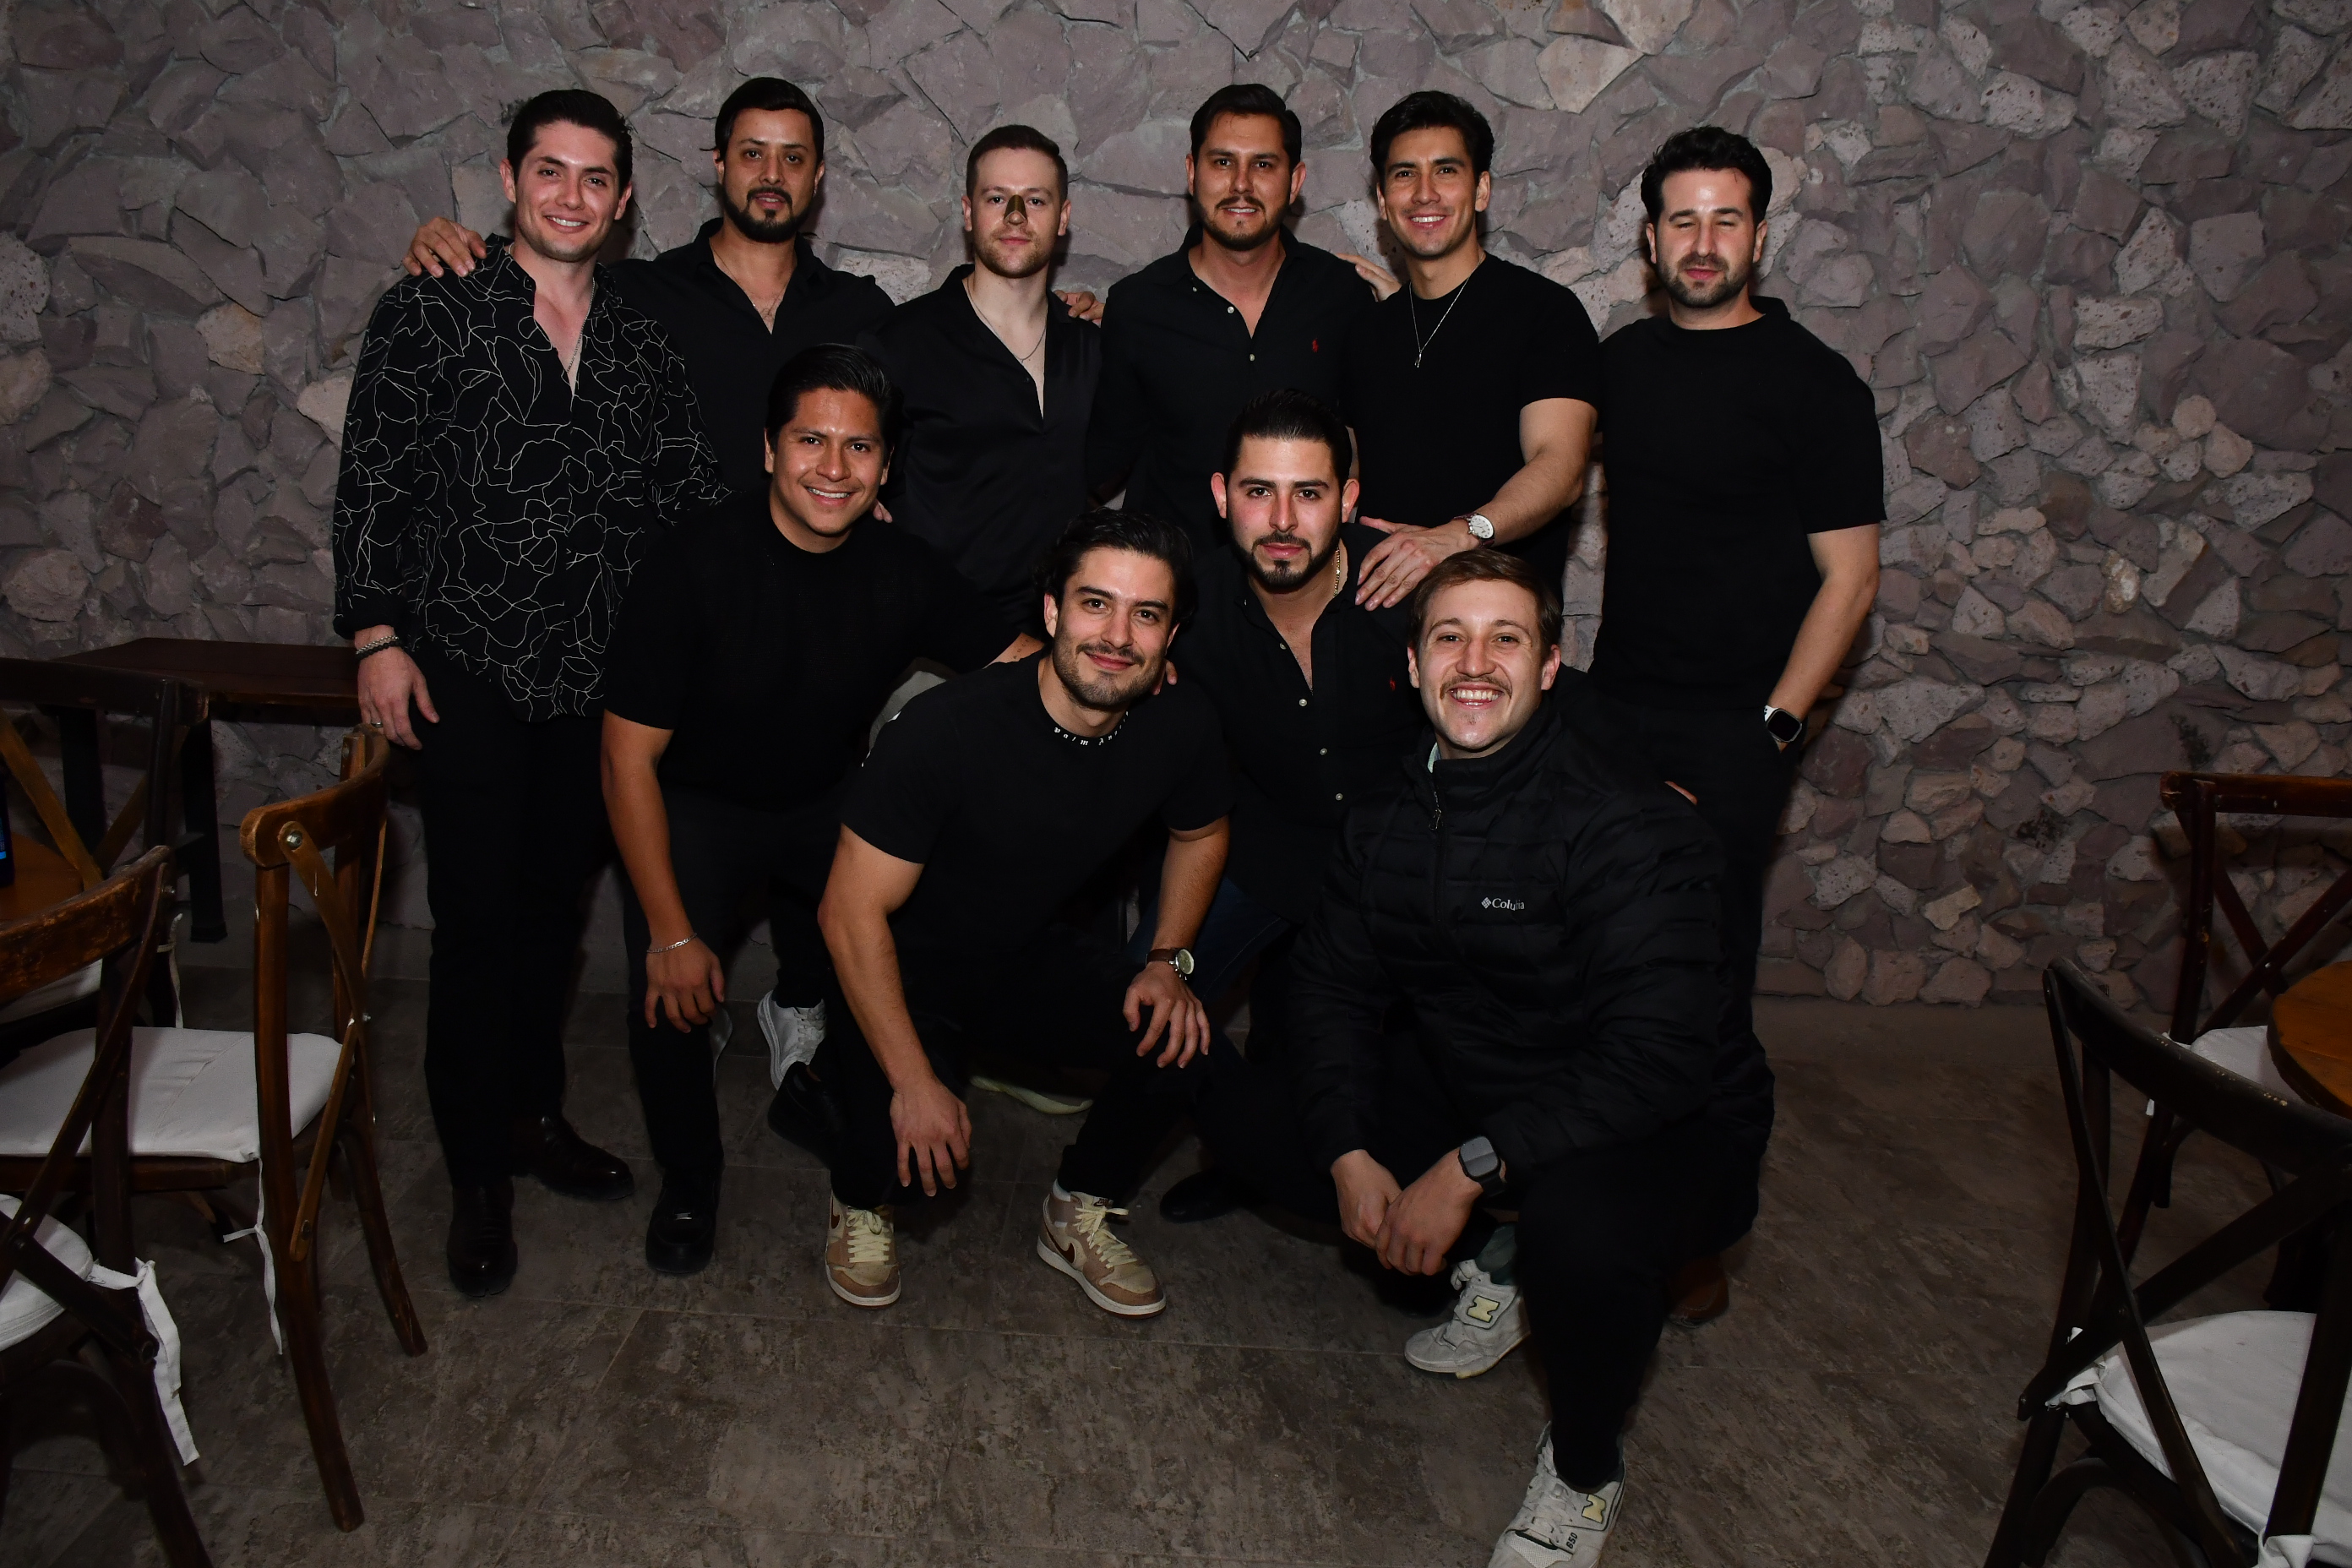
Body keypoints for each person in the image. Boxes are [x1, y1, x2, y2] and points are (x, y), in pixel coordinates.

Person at [332, 90, 729, 1298]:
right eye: (550, 170)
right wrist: (376, 636)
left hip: (595, 683)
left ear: (623, 200)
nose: (571, 195)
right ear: (510, 180)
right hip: (465, 669)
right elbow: (376, 477)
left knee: (555, 916)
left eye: (596, 177)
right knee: (475, 925)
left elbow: (687, 498)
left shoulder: (642, 339)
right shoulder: (429, 309)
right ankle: (475, 1175)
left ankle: (532, 1116)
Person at [1279, 551, 1742, 1567]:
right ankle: (1502, 1257)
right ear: (1413, 665)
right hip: (1491, 1077)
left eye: (1506, 638)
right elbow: (1329, 989)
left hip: (1662, 1120)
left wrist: (1467, 1168)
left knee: (1580, 1237)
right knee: (1267, 1127)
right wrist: (1350, 1151)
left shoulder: (1629, 821)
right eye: (1450, 636)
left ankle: (1583, 1466)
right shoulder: (1388, 815)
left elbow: (1660, 1057)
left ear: (1550, 664)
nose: (1475, 662)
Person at [599, 345, 1036, 1277]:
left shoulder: (903, 567)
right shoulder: (690, 561)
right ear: (769, 448)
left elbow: (1023, 666)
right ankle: (690, 1179)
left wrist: (1114, 660)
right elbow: (626, 760)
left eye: (859, 447)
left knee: (910, 951)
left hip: (825, 798)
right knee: (667, 996)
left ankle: (834, 1105)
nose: (834, 467)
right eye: (810, 441)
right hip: (698, 806)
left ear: (886, 465)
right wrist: (672, 931)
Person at [1589, 125, 1883, 1322]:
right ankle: (1591, 1206)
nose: (1703, 242)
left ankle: (1700, 1237)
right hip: (1613, 712)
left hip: (1735, 728)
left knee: (1703, 991)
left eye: (1726, 219)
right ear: (1651, 238)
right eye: (1683, 220)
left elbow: (1850, 582)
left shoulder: (1816, 384)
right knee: (1596, 970)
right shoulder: (1622, 364)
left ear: (1760, 235)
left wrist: (1772, 730)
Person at [807, 509, 1233, 1316]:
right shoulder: (944, 728)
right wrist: (913, 1082)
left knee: (1183, 1046)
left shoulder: (1181, 722)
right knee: (905, 1161)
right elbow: (847, 914)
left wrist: (1167, 960)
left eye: (1146, 614)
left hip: (1023, 956)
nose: (1117, 637)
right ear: (1051, 611)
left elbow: (1203, 832)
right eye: (1095, 604)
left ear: (1171, 635)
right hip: (902, 966)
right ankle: (859, 1194)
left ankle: (1077, 1208)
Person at [1142, 387, 1423, 1224]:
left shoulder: (1406, 584)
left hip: (1395, 861)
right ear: (1222, 495)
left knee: (1362, 1034)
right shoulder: (1190, 605)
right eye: (1259, 491)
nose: (1283, 521)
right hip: (1261, 850)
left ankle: (1326, 1162)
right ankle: (1241, 1149)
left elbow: (1523, 677)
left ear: (1349, 498)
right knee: (1146, 999)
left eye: (1309, 493)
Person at [401, 78, 893, 500]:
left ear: (817, 175)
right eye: (752, 153)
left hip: (827, 576)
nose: (772, 174)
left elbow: (895, 448)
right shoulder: (632, 295)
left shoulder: (862, 311)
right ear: (720, 164)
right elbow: (546, 273)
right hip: (671, 575)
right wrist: (463, 250)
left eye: (793, 158)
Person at [1087, 84, 1389, 556]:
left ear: (1295, 181)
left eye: (1263, 165)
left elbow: (1370, 440)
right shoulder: (1138, 306)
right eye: (1223, 162)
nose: (1241, 184)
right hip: (1177, 584)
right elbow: (1101, 463)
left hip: (1302, 578)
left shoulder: (1340, 295)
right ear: (1193, 173)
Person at [1340, 91, 1601, 612]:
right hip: (1380, 619)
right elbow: (1349, 477)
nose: (1425, 193)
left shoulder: (1545, 312)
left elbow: (1561, 466)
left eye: (1446, 171)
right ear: (1383, 201)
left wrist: (1460, 534)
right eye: (1405, 174)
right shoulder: (1364, 332)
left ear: (1481, 190)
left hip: (1498, 625)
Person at [859, 125, 1100, 629]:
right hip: (936, 641)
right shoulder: (899, 343)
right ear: (969, 213)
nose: (1015, 215)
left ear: (1063, 218)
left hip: (1063, 636)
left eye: (1035, 200)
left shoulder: (1092, 346)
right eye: (996, 198)